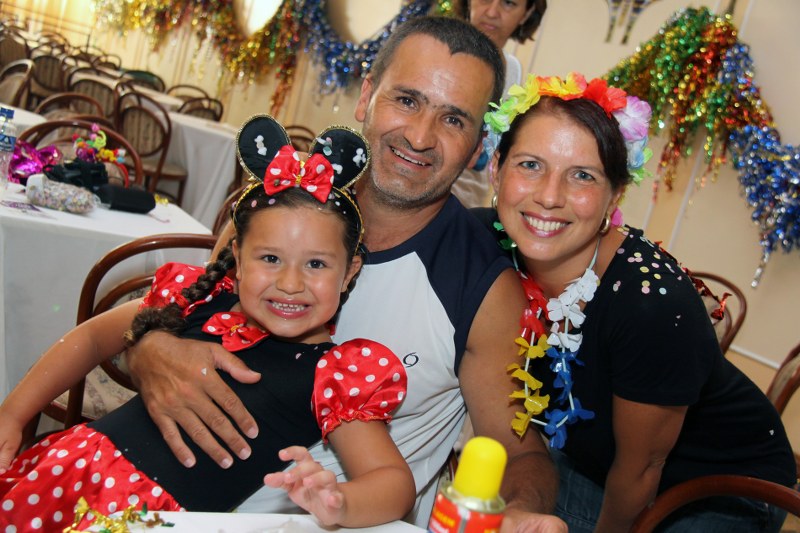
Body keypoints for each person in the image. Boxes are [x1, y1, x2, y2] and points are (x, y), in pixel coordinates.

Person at [122, 16, 567, 532]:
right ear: (367, 96)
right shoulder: (282, 207)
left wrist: (520, 511)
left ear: (478, 146)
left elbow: (520, 453)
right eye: (407, 100)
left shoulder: (481, 287)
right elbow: (184, 316)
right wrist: (148, 347)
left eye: (453, 119)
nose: (420, 136)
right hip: (168, 505)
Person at [0, 116, 415, 530]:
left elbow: (393, 482)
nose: (291, 284)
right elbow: (93, 338)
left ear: (349, 271)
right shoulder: (199, 301)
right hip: (69, 474)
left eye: (316, 264)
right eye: (271, 258)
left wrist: (339, 502)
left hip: (151, 523)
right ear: (238, 259)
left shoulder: (333, 374)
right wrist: (14, 414)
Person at [477, 71, 797, 532]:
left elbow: (642, 470)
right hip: (592, 465)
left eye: (582, 176)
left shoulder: (651, 305)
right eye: (530, 164)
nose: (548, 196)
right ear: (496, 168)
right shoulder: (486, 239)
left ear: (615, 196)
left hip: (717, 491)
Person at [452, 0, 547, 208]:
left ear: (526, 13)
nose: (492, 12)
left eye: (508, 3)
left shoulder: (513, 70)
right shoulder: (438, 51)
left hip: (468, 200)